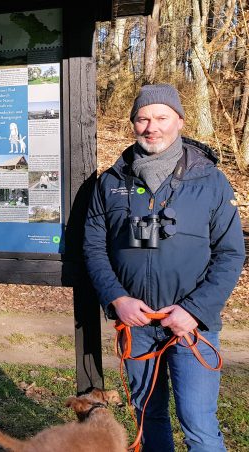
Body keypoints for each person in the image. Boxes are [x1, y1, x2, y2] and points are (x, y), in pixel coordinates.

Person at [84, 84, 245, 452]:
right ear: (132, 124)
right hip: (136, 326)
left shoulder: (210, 181)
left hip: (192, 329)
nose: (150, 126)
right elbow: (93, 249)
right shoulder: (111, 182)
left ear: (179, 121)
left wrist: (194, 311)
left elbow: (231, 253)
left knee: (199, 426)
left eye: (160, 117)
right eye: (142, 118)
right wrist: (117, 299)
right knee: (147, 415)